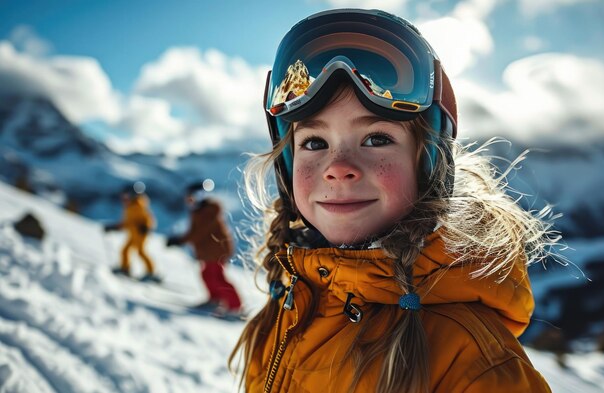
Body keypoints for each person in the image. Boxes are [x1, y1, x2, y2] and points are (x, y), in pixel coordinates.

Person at [229, 9, 557, 393]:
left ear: (428, 165)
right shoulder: (290, 306)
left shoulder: (470, 363)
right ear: (287, 165)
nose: (338, 169)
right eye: (314, 143)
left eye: (376, 139)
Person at [166, 181, 242, 314]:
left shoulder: (208, 212)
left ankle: (235, 306)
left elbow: (199, 232)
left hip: (217, 250)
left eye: (191, 198)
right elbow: (194, 232)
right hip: (210, 250)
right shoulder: (198, 212)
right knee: (206, 274)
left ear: (199, 196)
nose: (188, 201)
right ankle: (215, 299)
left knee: (216, 277)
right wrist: (180, 240)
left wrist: (180, 240)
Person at [105, 181, 160, 282]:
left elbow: (149, 218)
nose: (124, 198)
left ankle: (151, 272)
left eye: (127, 195)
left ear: (133, 195)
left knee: (141, 252)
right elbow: (126, 222)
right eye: (123, 195)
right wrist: (114, 227)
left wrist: (146, 227)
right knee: (125, 250)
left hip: (140, 234)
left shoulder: (139, 206)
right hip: (132, 233)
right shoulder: (129, 207)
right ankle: (125, 268)